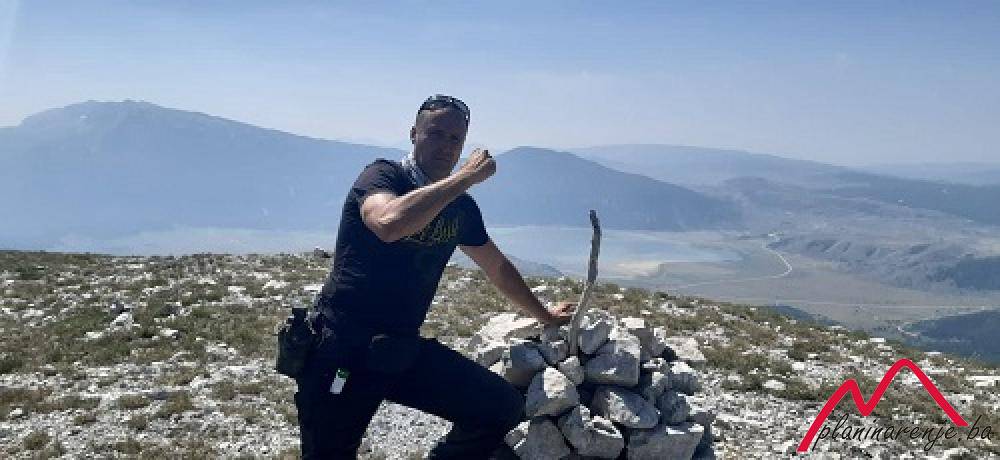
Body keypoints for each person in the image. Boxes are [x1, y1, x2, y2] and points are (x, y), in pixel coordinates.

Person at [294, 94, 577, 459]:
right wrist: (465, 178)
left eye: (455, 139)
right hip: (342, 348)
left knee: (499, 407)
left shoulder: (460, 208)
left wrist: (544, 315)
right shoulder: (382, 176)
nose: (446, 146)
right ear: (414, 134)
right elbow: (388, 223)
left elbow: (497, 267)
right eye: (436, 134)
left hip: (399, 349)